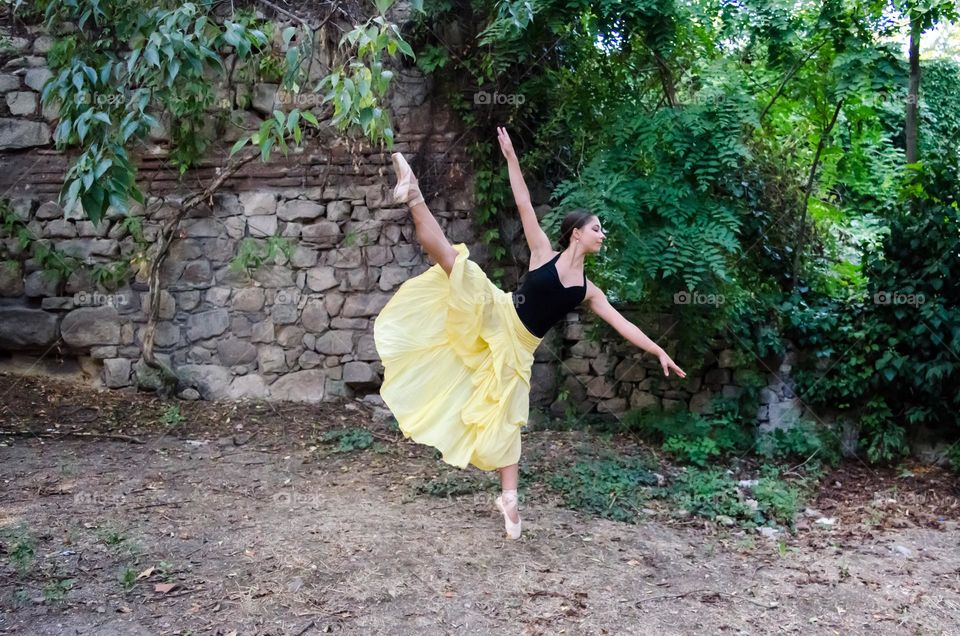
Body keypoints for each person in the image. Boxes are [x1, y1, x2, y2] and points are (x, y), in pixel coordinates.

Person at [373, 127, 685, 540]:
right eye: (597, 229)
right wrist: (512, 159)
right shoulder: (543, 251)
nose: (602, 234)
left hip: (518, 350)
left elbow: (621, 322)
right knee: (452, 261)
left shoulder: (588, 290)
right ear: (577, 233)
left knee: (506, 421)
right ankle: (412, 193)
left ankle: (510, 501)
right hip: (497, 313)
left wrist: (658, 349)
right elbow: (523, 203)